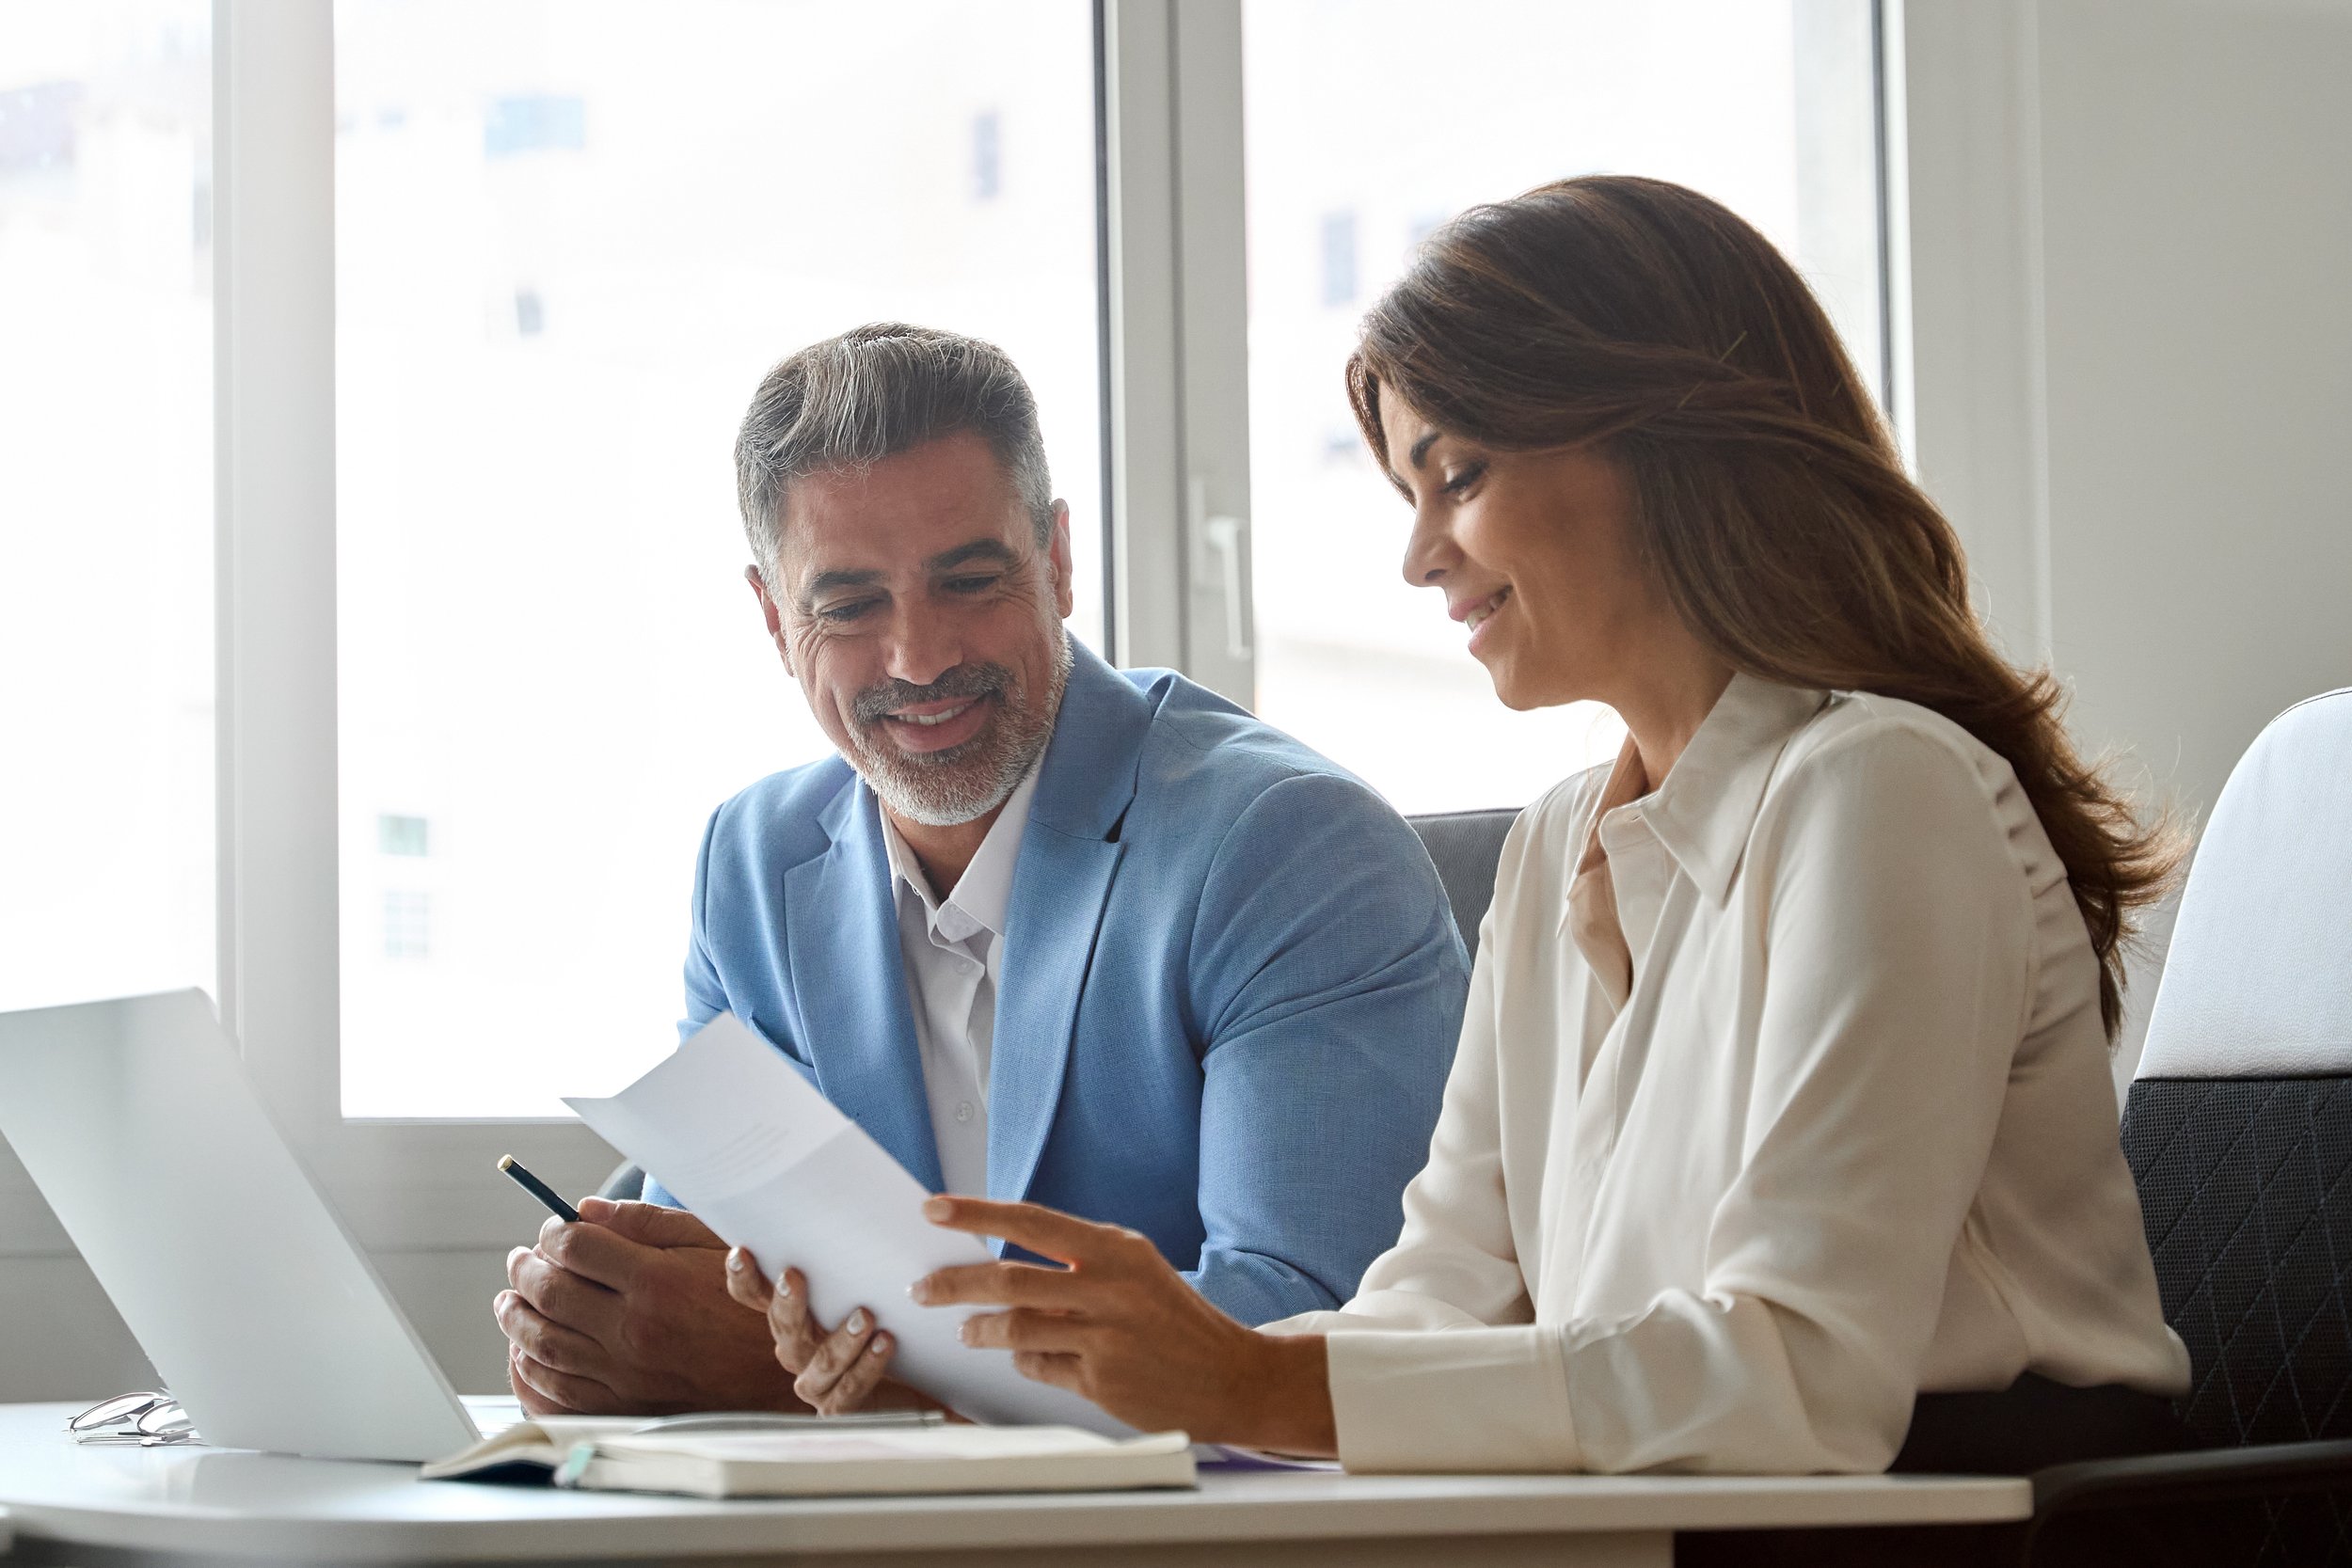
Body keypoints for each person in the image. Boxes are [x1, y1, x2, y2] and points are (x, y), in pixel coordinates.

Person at [744, 177, 2193, 1474]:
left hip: (1955, 1520)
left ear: (1663, 441)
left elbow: (1802, 1378)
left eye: (1462, 474)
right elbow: (1436, 1295)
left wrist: (1247, 1378)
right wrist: (1117, 1380)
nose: (1422, 552)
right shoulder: (1562, 842)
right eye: (1408, 489)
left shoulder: (1882, 788)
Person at [494, 324, 1468, 1417]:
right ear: (775, 618)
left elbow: (1304, 1325)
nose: (920, 655)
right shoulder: (753, 865)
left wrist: (842, 1378)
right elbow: (706, 1286)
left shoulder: (1290, 847)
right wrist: (602, 1319)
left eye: (967, 579)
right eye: (850, 604)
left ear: (1056, 560)